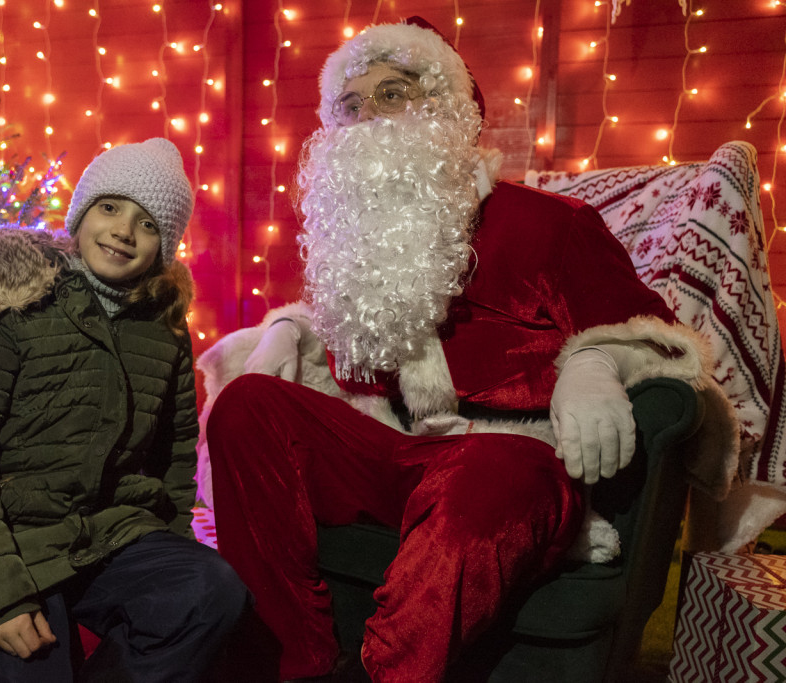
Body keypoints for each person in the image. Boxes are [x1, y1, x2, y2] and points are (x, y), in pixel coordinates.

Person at [199, 18, 737, 682]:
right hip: (392, 454)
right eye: (350, 103)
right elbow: (342, 330)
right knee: (247, 404)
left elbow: (659, 338)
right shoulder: (356, 243)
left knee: (487, 472)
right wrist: (291, 329)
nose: (367, 116)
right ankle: (294, 664)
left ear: (446, 109)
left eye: (391, 93)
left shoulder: (549, 225)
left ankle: (384, 672)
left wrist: (597, 362)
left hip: (506, 464)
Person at [0, 138, 249, 683]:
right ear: (82, 213)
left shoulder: (164, 328)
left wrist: (174, 551)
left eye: (147, 224)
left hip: (112, 535)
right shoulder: (16, 302)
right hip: (14, 540)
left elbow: (174, 453)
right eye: (111, 207)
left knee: (211, 591)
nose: (123, 231)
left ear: (164, 246)